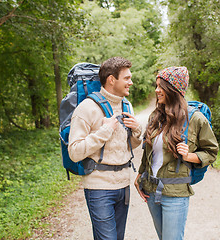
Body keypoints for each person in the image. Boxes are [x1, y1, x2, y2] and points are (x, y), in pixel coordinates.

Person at [134, 66, 219, 240]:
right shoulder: (156, 116)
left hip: (175, 194)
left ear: (174, 89)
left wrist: (189, 156)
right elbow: (147, 149)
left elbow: (211, 152)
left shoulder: (195, 119)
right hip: (151, 190)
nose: (157, 90)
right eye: (156, 85)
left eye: (161, 86)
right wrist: (140, 174)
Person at [68, 57, 142, 240]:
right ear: (111, 79)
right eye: (126, 78)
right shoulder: (87, 108)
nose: (130, 82)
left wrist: (137, 131)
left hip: (123, 185)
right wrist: (105, 130)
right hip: (99, 188)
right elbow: (74, 152)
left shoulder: (127, 105)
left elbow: (130, 146)